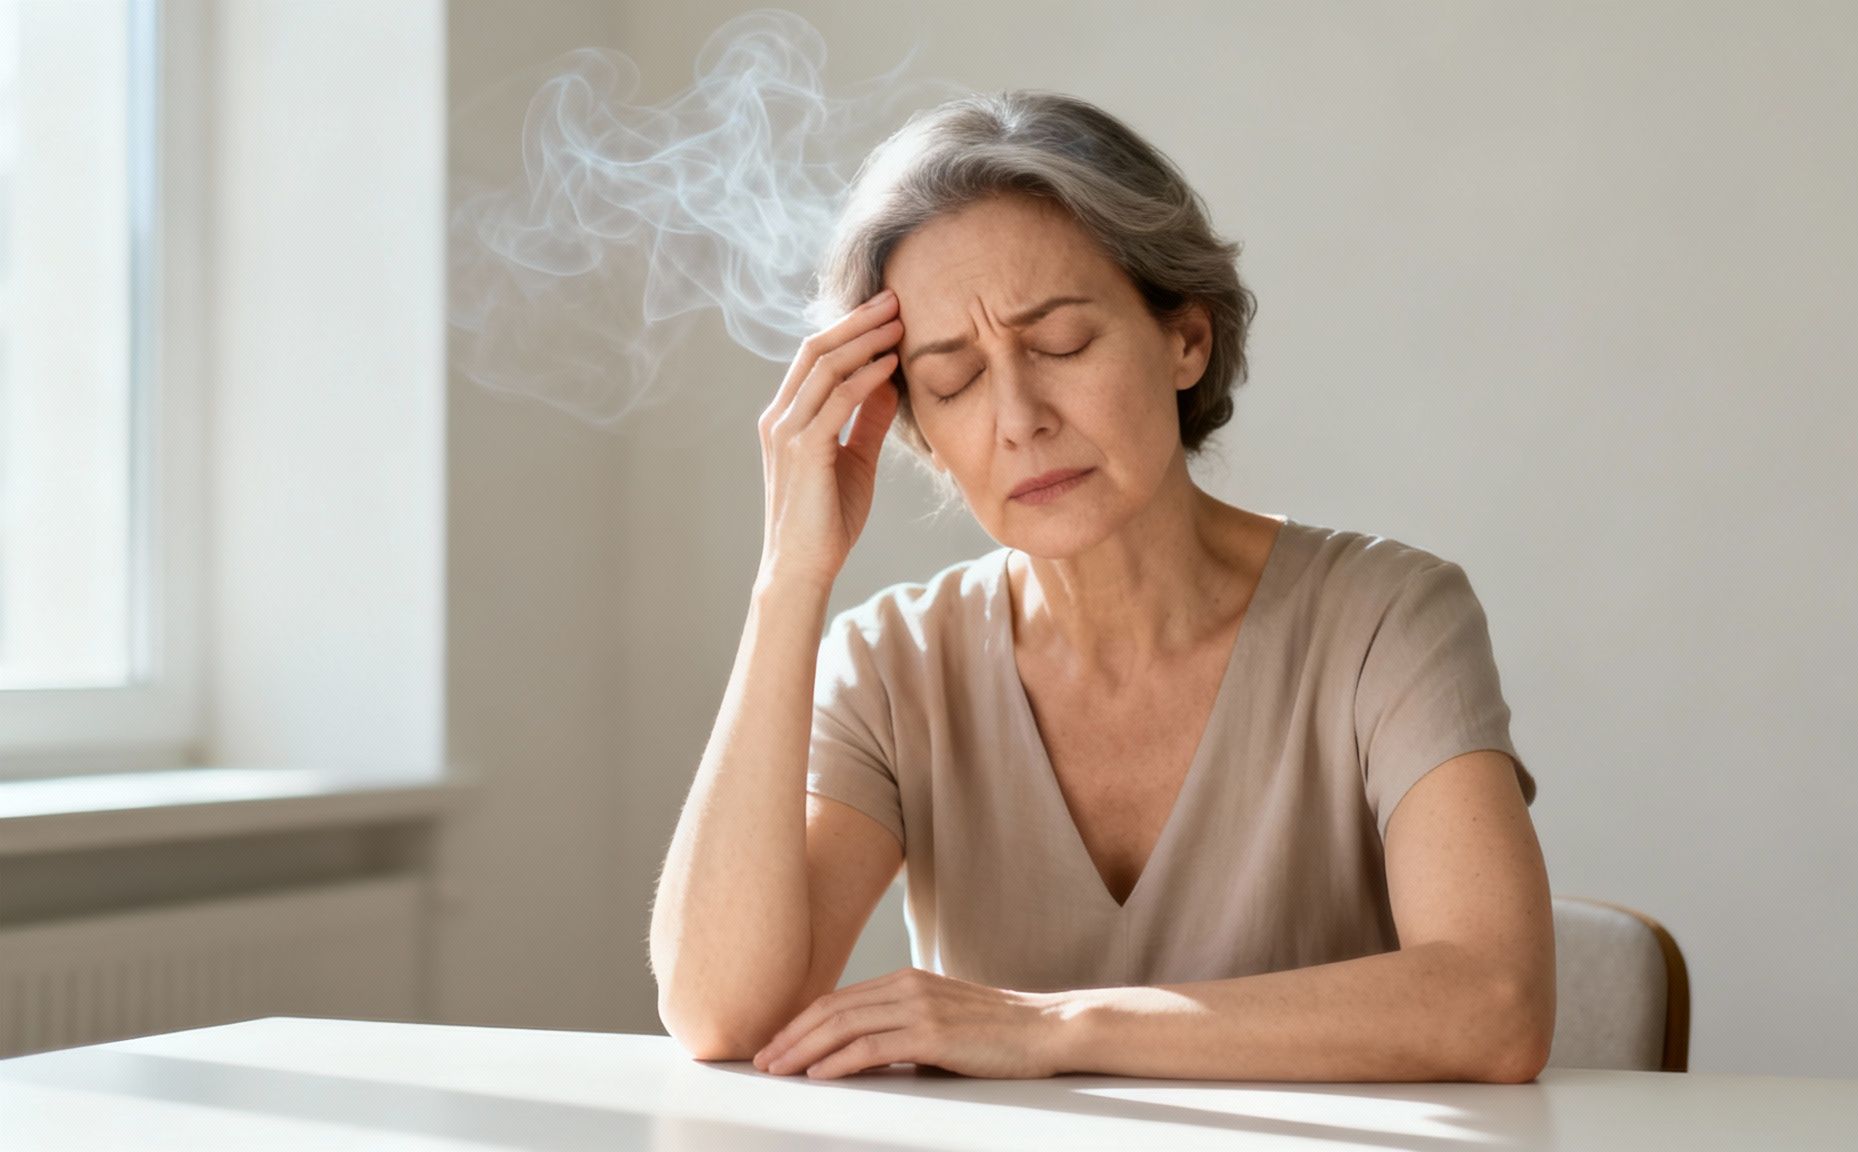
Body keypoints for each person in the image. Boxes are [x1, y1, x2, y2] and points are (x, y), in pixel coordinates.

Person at [650, 90, 1553, 1083]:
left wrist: (1053, 1027)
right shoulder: (891, 664)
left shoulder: (1387, 617)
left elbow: (1492, 1005)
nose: (1018, 417)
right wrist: (789, 576)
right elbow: (722, 1015)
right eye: (951, 381)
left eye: (1062, 344)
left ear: (1184, 341)